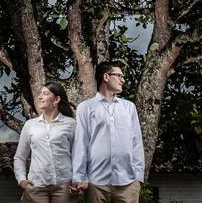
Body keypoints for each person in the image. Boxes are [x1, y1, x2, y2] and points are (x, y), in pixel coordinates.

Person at [71, 60, 144, 203]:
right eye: (119, 76)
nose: (123, 80)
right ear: (106, 77)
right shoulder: (86, 107)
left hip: (128, 182)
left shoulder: (129, 107)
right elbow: (81, 143)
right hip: (96, 182)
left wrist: (138, 177)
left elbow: (137, 142)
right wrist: (79, 177)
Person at [13, 82, 77, 203]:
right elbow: (20, 157)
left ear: (56, 99)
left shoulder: (71, 124)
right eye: (40, 93)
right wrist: (21, 180)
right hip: (36, 187)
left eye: (45, 93)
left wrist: (77, 179)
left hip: (64, 187)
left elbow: (78, 155)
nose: (40, 97)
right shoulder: (30, 125)